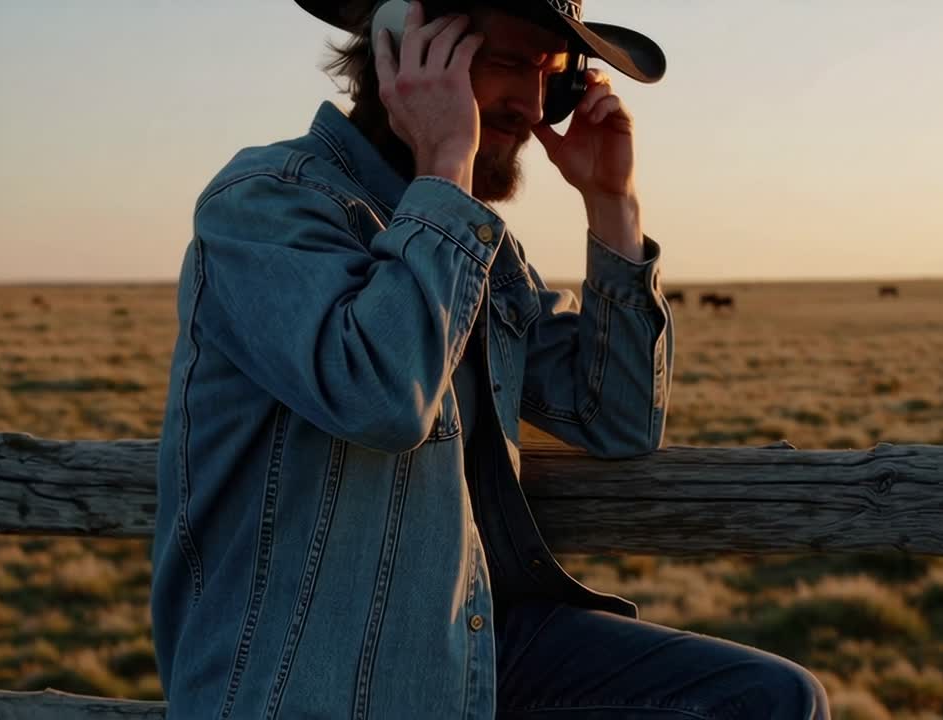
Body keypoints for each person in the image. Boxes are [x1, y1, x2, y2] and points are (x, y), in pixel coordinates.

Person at [151, 0, 831, 717]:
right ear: (404, 55)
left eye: (550, 73)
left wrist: (612, 206)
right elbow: (382, 395)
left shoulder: (479, 250)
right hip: (309, 678)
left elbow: (618, 419)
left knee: (769, 702)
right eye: (507, 64)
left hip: (468, 646)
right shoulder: (267, 203)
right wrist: (445, 165)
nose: (533, 105)